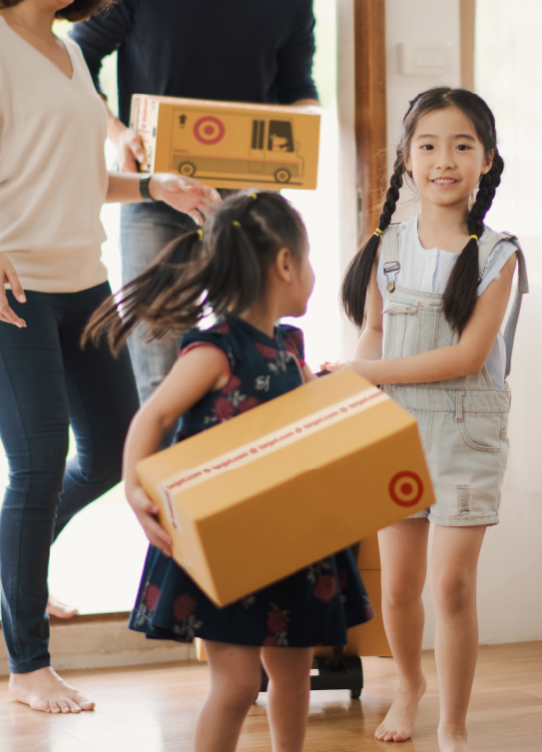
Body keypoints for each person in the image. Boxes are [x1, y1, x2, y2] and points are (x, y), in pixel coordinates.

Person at [0, 0, 219, 715]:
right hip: (10, 283)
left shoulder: (68, 56)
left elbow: (82, 175)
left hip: (81, 281)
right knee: (34, 461)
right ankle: (28, 665)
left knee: (110, 446)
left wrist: (152, 182)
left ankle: (6, 556)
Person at [85, 192, 373, 752]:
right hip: (228, 543)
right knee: (239, 683)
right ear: (285, 263)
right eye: (309, 259)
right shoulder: (216, 351)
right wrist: (133, 487)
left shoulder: (290, 350)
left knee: (292, 675)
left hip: (292, 542)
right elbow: (156, 413)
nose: (312, 273)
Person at [70, 0, 320, 419]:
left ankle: (234, 503)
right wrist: (118, 134)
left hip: (249, 201)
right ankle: (168, 508)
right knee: (160, 371)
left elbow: (297, 85)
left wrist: (302, 133)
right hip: (159, 194)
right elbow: (78, 57)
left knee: (252, 365)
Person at [328, 88, 528, 751]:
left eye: (463, 146)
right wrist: (357, 386)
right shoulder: (385, 247)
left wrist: (367, 374)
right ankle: (409, 685)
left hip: (466, 434)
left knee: (450, 586)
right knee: (402, 586)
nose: (446, 160)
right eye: (430, 145)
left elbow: (468, 356)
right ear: (407, 161)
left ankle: (453, 722)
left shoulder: (501, 255)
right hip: (395, 432)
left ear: (487, 160)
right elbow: (375, 335)